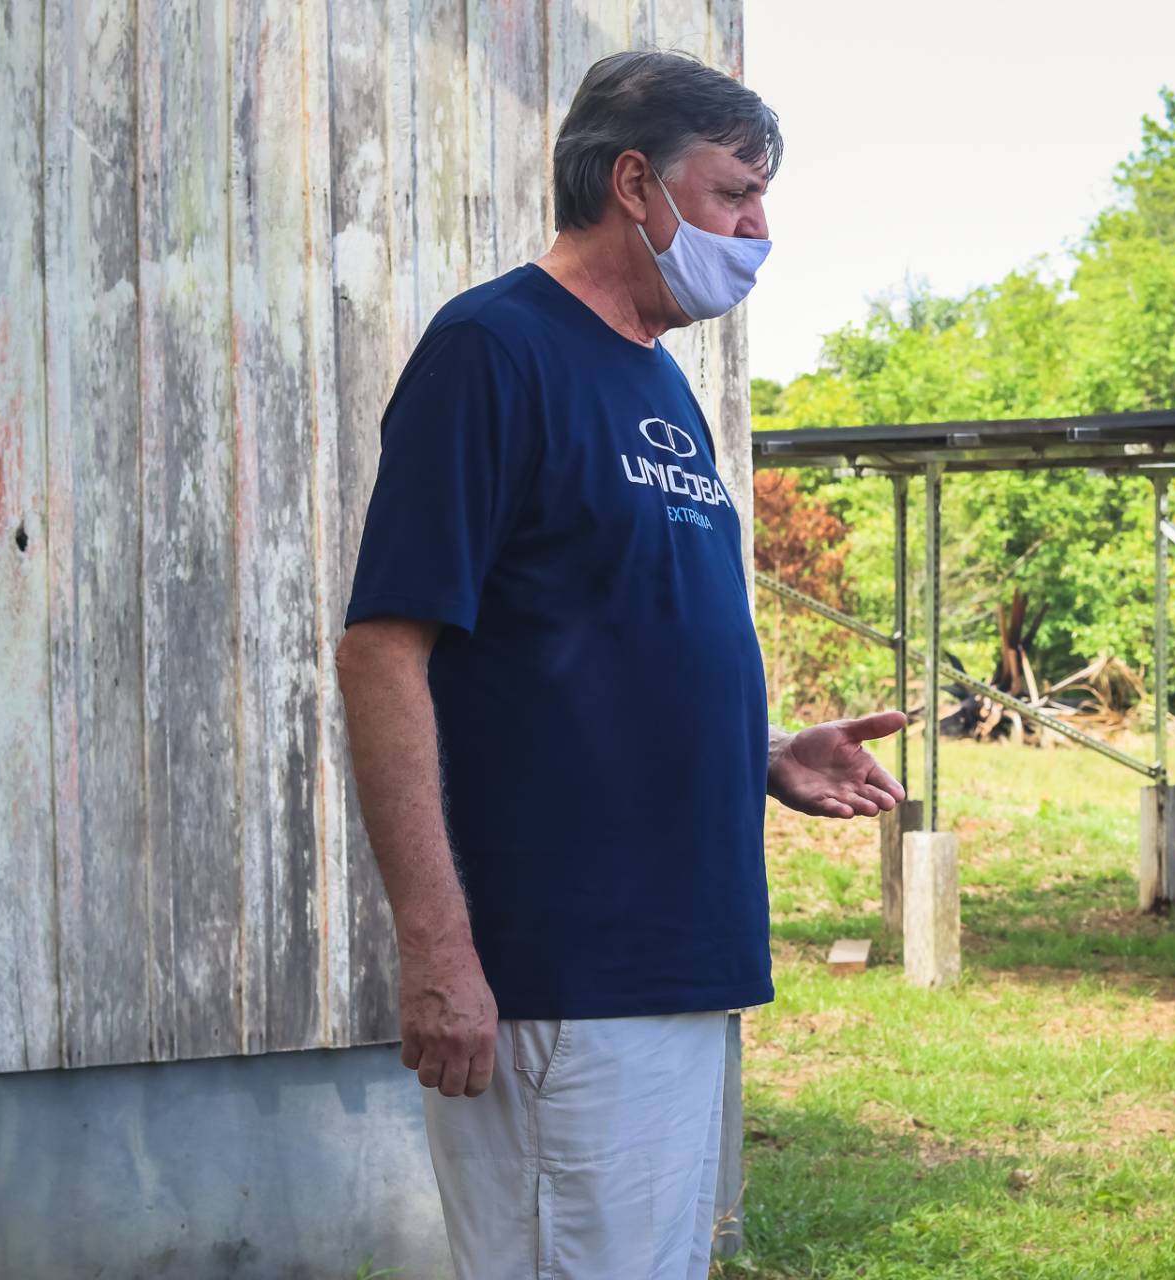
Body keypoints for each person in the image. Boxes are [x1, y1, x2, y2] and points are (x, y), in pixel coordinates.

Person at [335, 51, 905, 1279]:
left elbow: (589, 646)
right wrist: (437, 946)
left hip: (678, 955)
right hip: (562, 970)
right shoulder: (494, 349)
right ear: (634, 184)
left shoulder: (656, 378)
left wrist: (762, 753)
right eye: (733, 194)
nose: (759, 231)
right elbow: (384, 649)